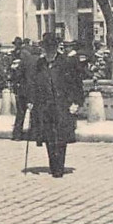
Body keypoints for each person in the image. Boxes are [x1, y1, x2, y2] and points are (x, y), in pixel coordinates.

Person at [28, 32, 85, 178]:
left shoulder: (66, 63)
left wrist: (76, 102)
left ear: (56, 48)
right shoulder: (39, 64)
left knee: (60, 136)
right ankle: (53, 164)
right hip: (44, 106)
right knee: (48, 136)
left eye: (52, 47)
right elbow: (33, 84)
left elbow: (76, 84)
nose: (49, 50)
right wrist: (30, 100)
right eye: (47, 47)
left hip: (62, 105)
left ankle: (59, 167)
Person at [11, 37, 36, 141]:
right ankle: (33, 134)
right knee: (34, 113)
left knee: (20, 114)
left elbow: (17, 75)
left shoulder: (24, 61)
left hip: (23, 90)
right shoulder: (40, 61)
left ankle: (17, 135)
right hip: (34, 90)